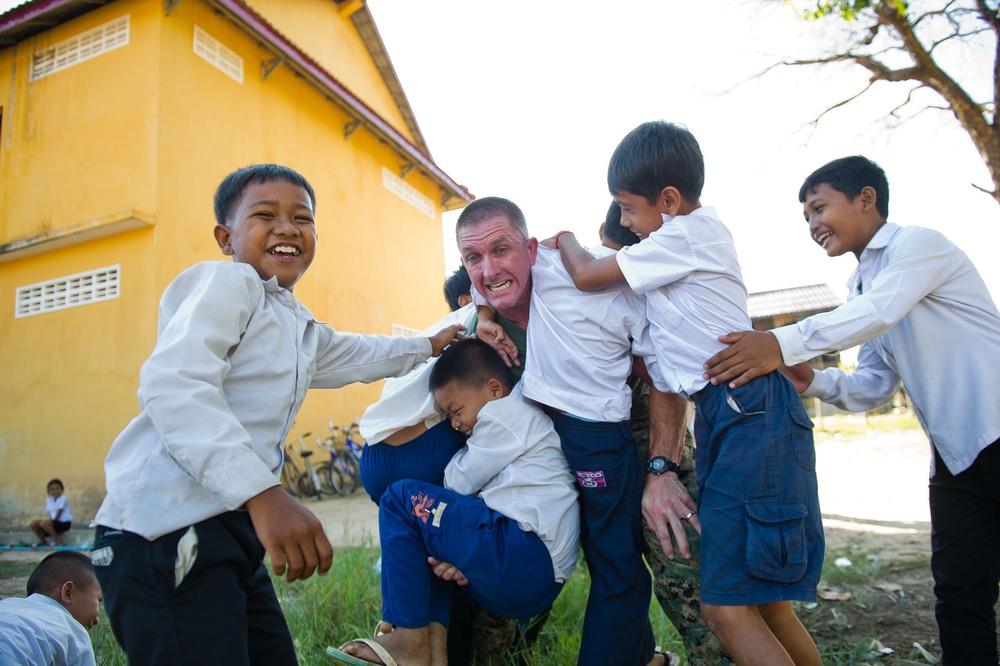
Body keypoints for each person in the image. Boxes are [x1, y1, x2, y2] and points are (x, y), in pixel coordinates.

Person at [89, 164, 463, 666]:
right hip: (166, 530)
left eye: (302, 219)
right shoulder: (228, 285)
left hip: (232, 527)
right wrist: (265, 495)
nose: (287, 228)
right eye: (265, 214)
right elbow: (175, 383)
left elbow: (360, 353)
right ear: (226, 237)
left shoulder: (296, 324)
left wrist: (430, 344)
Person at [703, 155, 1000, 665]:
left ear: (866, 197)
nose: (814, 225)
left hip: (994, 433)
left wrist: (780, 342)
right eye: (806, 218)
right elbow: (874, 385)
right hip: (954, 460)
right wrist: (812, 378)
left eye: (819, 208)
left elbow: (878, 313)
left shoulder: (919, 246)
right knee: (959, 595)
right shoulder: (860, 284)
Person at [549, 120, 823, 665]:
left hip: (748, 413)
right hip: (731, 416)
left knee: (724, 609)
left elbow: (584, 275)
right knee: (764, 605)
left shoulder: (685, 235)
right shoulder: (678, 254)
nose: (626, 223)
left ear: (669, 201)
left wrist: (562, 241)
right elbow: (658, 363)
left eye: (627, 208)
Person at [475, 201, 681, 666]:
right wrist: (486, 318)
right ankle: (643, 656)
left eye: (501, 250)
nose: (487, 268)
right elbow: (483, 279)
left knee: (616, 564)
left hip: (598, 437)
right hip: (546, 430)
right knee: (585, 549)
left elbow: (666, 376)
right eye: (473, 257)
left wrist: (662, 467)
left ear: (529, 249)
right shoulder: (499, 274)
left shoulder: (604, 286)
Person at [328, 338, 579, 666]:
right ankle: (433, 654)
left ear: (493, 389)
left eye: (456, 411)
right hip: (527, 569)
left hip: (523, 551)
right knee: (426, 538)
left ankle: (408, 637)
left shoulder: (506, 415)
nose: (455, 424)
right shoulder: (517, 415)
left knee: (399, 499)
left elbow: (457, 482)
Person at [0, 550, 102, 666]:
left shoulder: (7, 604)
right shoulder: (75, 634)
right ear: (68, 593)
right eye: (99, 601)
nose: (96, 620)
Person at [30, 478, 73, 548]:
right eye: (52, 489)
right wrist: (49, 523)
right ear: (49, 491)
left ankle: (58, 541)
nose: (55, 491)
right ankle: (42, 540)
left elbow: (60, 511)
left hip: (64, 523)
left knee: (44, 523)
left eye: (57, 489)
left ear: (62, 489)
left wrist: (50, 523)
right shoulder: (49, 500)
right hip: (54, 522)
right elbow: (49, 513)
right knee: (33, 523)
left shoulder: (63, 499)